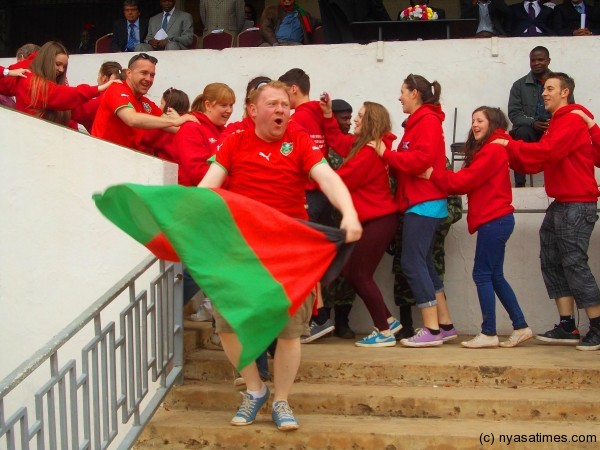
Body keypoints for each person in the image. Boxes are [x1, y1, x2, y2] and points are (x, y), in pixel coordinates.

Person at [199, 80, 361, 431]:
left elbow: (328, 178)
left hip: (290, 251)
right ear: (253, 111)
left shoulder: (299, 141)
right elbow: (207, 188)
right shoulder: (235, 141)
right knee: (227, 324)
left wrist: (348, 212)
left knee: (289, 331)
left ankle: (282, 400)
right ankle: (255, 390)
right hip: (242, 250)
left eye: (285, 105)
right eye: (272, 104)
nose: (282, 110)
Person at [493, 72, 600, 351]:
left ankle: (598, 326)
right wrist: (508, 150)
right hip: (562, 203)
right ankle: (567, 325)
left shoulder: (573, 119)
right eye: (544, 89)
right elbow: (537, 161)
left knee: (574, 263)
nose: (544, 93)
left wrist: (510, 144)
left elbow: (546, 153)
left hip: (577, 203)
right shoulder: (560, 123)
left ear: (565, 92)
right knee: (552, 260)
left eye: (550, 88)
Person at [422, 107, 533, 348]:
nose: (474, 125)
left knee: (482, 274)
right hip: (497, 220)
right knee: (495, 275)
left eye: (480, 120)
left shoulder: (492, 150)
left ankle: (489, 332)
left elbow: (464, 181)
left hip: (494, 219)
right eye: (473, 120)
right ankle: (521, 326)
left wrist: (433, 174)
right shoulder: (492, 148)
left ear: (492, 123)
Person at [373, 74, 456, 348]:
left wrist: (386, 153)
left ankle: (431, 329)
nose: (399, 97)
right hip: (419, 201)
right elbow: (412, 161)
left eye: (402, 92)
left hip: (424, 202)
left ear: (415, 94)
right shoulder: (419, 122)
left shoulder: (427, 121)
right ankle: (444, 324)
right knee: (424, 263)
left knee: (412, 262)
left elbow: (419, 160)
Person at [320, 97, 401, 347]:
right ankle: (388, 320)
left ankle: (384, 331)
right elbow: (337, 141)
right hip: (374, 219)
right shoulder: (363, 146)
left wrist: (308, 177)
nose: (355, 118)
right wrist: (326, 116)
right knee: (351, 272)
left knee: (360, 274)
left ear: (370, 122)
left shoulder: (367, 153)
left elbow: (339, 180)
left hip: (379, 220)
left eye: (360, 115)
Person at [278, 68, 335, 342]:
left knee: (301, 258)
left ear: (293, 89)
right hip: (323, 193)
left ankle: (317, 317)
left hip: (309, 193)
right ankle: (318, 315)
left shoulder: (298, 119)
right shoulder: (321, 113)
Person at [391, 160, 463, 341]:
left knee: (421, 270)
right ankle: (436, 325)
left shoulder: (436, 161)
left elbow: (454, 204)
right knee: (406, 281)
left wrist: (432, 227)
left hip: (426, 226)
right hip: (407, 228)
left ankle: (433, 328)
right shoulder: (403, 159)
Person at [91, 53, 197, 151]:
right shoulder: (116, 88)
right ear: (129, 73)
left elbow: (176, 128)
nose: (148, 79)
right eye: (144, 73)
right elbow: (131, 118)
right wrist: (175, 121)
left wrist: (198, 130)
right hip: (102, 157)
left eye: (152, 75)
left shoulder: (146, 103)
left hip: (124, 160)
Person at [13, 41, 114, 128]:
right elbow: (57, 94)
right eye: (58, 64)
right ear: (46, 61)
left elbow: (80, 109)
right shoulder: (28, 80)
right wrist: (99, 89)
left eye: (64, 66)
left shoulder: (55, 85)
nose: (61, 70)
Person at [321, 98, 357, 339]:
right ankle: (323, 320)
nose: (348, 123)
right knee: (325, 274)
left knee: (347, 273)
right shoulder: (323, 146)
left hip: (348, 221)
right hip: (325, 222)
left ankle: (343, 321)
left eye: (349, 118)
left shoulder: (353, 145)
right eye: (343, 118)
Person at [173, 83, 235, 187]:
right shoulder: (191, 128)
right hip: (193, 197)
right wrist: (235, 185)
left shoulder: (224, 131)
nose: (229, 110)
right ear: (208, 105)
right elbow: (198, 172)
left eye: (231, 105)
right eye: (223, 105)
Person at [507, 46, 552, 187]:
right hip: (529, 130)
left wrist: (554, 123)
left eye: (541, 59)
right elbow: (514, 114)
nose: (536, 63)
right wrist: (533, 123)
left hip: (552, 128)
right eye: (533, 60)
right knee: (521, 133)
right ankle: (520, 184)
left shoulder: (559, 83)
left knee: (564, 136)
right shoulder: (519, 85)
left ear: (548, 61)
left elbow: (568, 109)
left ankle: (557, 182)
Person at [138, 87, 190, 161]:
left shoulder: (165, 123)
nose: (159, 107)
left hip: (166, 164)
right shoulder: (189, 121)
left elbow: (144, 139)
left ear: (169, 107)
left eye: (162, 103)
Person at [72, 61, 124, 133]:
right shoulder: (125, 99)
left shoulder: (97, 103)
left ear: (104, 78)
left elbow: (71, 110)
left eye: (99, 75)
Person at [317, 0, 390, 44]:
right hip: (366, 36)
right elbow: (377, 7)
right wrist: (393, 30)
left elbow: (327, 22)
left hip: (338, 40)